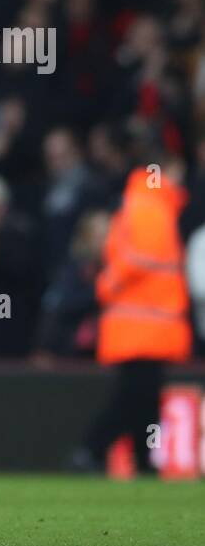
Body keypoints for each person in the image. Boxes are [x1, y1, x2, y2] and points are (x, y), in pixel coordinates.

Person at [76, 159, 192, 474]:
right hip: (145, 323)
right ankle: (92, 448)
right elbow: (139, 260)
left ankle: (140, 461)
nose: (180, 178)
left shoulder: (144, 205)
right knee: (136, 397)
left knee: (143, 397)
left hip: (141, 322)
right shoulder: (150, 207)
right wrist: (107, 286)